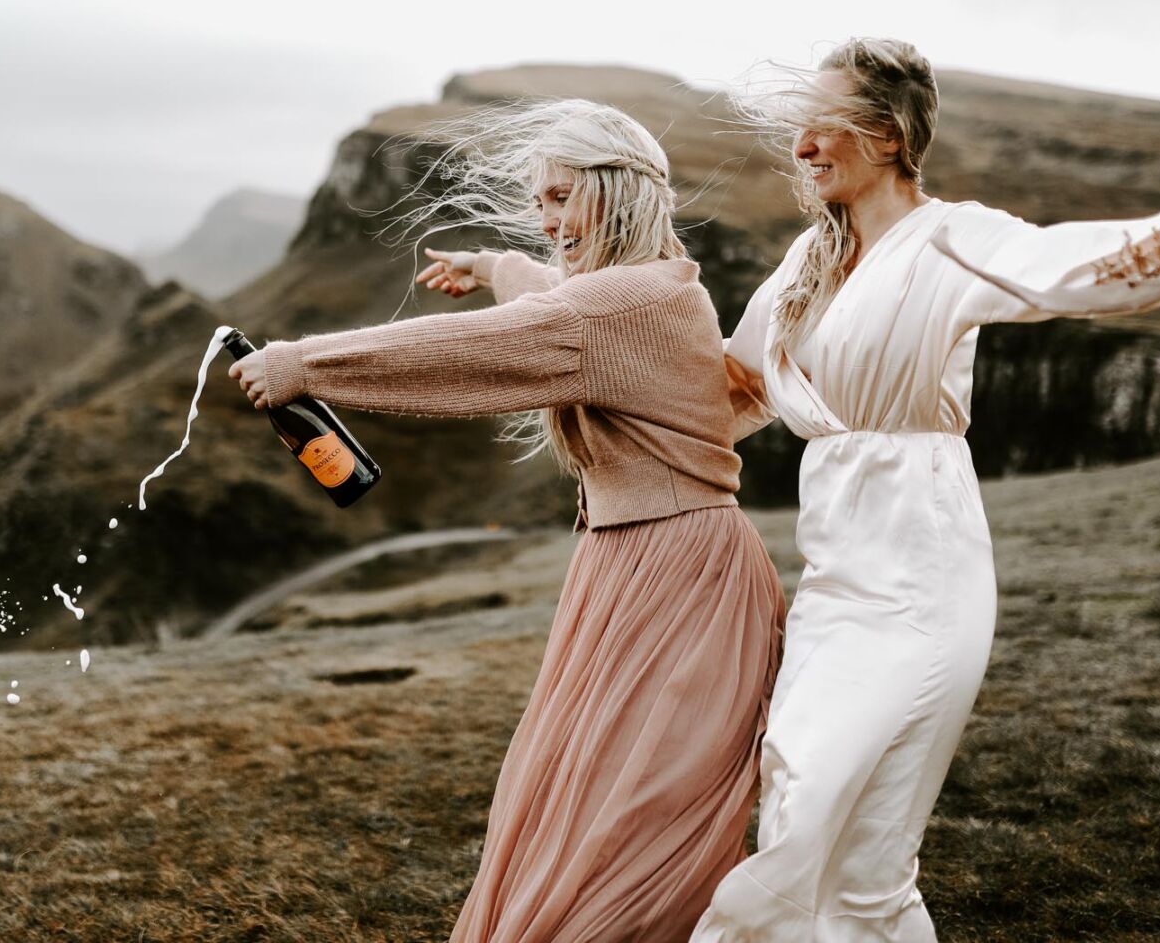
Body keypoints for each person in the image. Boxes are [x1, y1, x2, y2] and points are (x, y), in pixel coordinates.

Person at [692, 38, 1160, 942]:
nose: (801, 149)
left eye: (820, 124)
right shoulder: (804, 268)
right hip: (835, 577)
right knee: (808, 798)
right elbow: (739, 388)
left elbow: (1089, 265)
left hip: (925, 569)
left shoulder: (952, 238)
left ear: (889, 135)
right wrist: (586, 337)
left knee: (846, 818)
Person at [228, 99, 785, 943]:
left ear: (618, 193)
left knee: (630, 819)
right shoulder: (651, 285)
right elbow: (557, 297)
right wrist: (492, 264)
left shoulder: (614, 307)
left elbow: (482, 348)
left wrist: (303, 365)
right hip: (644, 568)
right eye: (539, 200)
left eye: (562, 197)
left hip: (678, 579)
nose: (546, 217)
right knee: (592, 796)